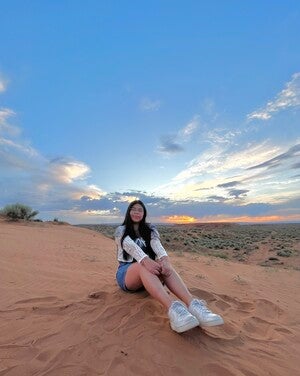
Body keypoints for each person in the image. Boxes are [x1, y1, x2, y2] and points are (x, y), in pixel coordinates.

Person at [115, 200, 224, 333]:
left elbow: (157, 245)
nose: (137, 212)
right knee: (143, 265)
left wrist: (165, 260)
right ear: (128, 212)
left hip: (149, 276)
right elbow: (130, 247)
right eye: (133, 209)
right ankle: (174, 310)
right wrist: (145, 260)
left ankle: (193, 305)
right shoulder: (121, 230)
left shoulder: (150, 229)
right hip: (127, 274)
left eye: (140, 210)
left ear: (144, 213)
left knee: (163, 265)